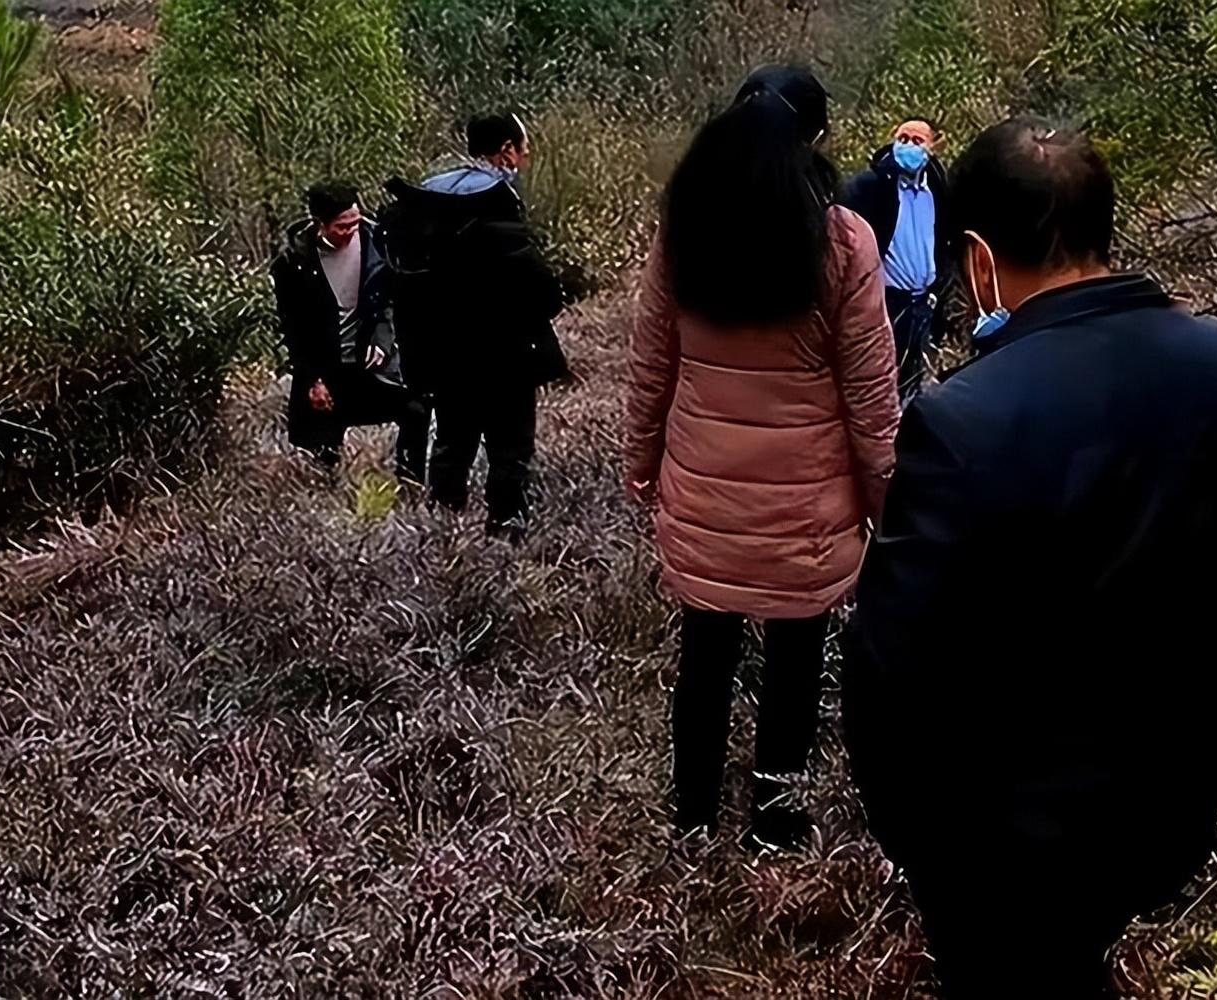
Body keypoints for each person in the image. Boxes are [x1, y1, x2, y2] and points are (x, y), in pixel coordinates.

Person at [842, 117, 1217, 998]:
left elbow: (892, 668)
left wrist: (921, 846)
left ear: (978, 258)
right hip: (1166, 809)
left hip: (1005, 836)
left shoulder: (965, 419)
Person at [625, 65, 901, 851]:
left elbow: (652, 365)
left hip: (703, 495)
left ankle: (692, 818)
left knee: (704, 660)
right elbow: (871, 397)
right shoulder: (842, 241)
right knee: (795, 667)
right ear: (816, 139)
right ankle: (775, 825)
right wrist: (885, 504)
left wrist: (641, 462)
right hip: (804, 509)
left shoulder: (685, 230)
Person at [380, 112, 566, 544]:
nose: (524, 159)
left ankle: (440, 540)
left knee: (451, 444)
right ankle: (504, 538)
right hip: (506, 359)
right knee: (510, 451)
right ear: (506, 152)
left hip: (445, 359)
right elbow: (544, 293)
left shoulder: (426, 205)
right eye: (523, 150)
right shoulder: (497, 209)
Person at [271, 182, 428, 482]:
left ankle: (410, 486)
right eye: (342, 227)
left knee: (415, 410)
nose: (350, 232)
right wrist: (313, 379)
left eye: (355, 223)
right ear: (320, 224)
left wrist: (382, 340)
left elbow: (388, 300)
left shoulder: (376, 243)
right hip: (324, 369)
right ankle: (322, 498)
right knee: (322, 452)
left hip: (370, 365)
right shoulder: (293, 263)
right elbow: (293, 329)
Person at [839, 117, 952, 404]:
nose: (908, 146)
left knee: (914, 385)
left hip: (923, 304)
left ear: (933, 147)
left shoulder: (938, 190)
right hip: (886, 303)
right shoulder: (871, 187)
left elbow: (944, 242)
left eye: (917, 141)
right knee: (879, 384)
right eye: (903, 139)